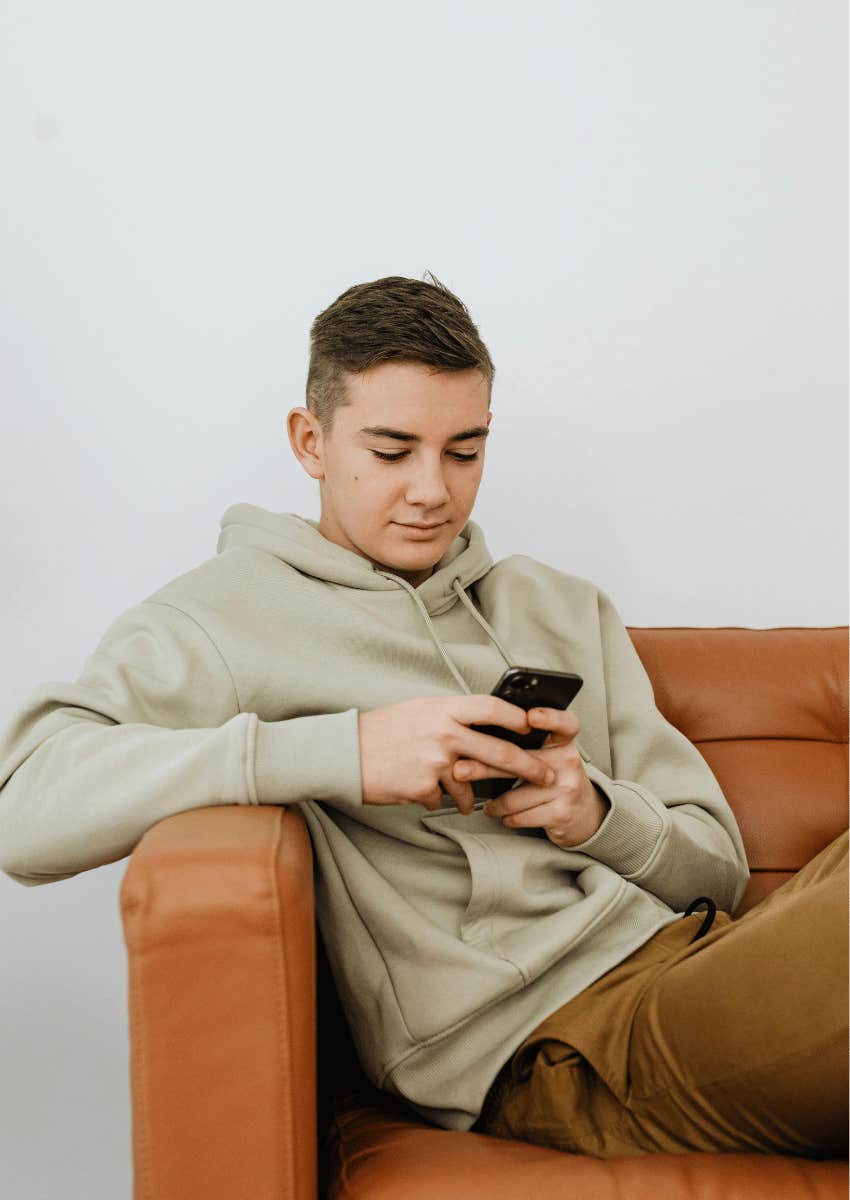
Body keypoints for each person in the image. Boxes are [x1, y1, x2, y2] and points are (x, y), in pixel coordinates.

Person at [0, 273, 845, 1158]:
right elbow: (23, 808)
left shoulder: (558, 605)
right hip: (560, 1043)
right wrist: (345, 751)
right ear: (311, 440)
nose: (432, 491)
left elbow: (717, 876)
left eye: (464, 450)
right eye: (392, 449)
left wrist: (592, 813)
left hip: (699, 960)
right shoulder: (221, 621)